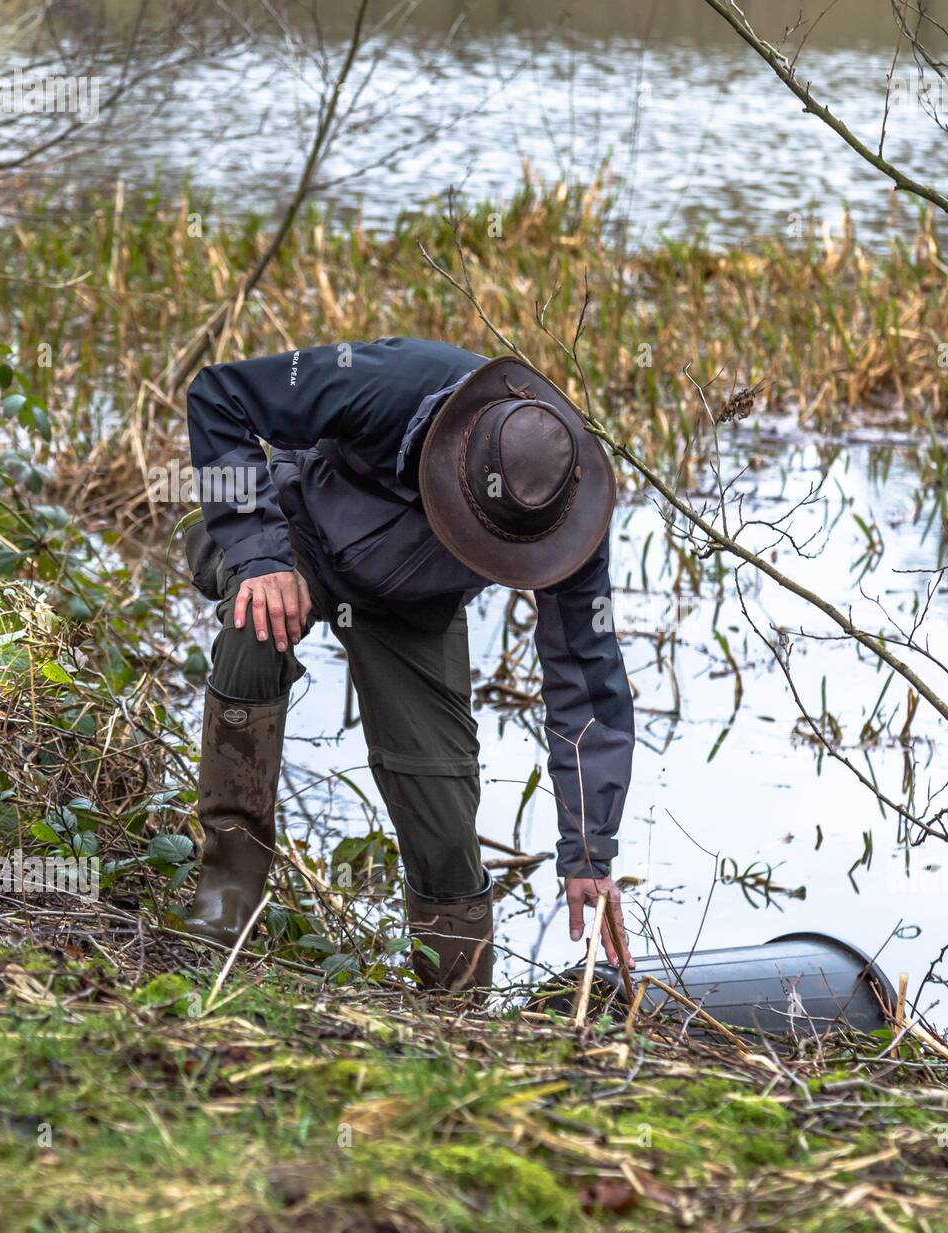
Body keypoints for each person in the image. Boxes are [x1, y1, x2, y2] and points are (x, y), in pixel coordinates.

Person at [182, 338, 635, 993]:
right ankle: (221, 915)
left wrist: (589, 852)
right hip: (298, 538)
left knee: (442, 808)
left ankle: (457, 1005)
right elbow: (220, 395)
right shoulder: (390, 383)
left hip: (413, 605)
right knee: (256, 627)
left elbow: (588, 682)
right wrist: (260, 553)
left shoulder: (568, 510)